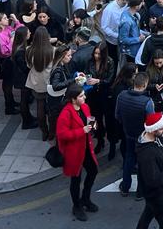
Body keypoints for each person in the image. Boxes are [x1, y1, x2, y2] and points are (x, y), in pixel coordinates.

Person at [56, 84, 99, 222]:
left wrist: (93, 126)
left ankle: (85, 198)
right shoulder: (65, 113)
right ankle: (77, 206)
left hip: (86, 149)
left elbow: (89, 120)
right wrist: (82, 131)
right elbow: (62, 134)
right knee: (76, 179)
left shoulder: (85, 107)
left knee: (93, 171)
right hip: (73, 152)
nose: (84, 97)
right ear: (73, 99)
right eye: (81, 96)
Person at [135, 111, 163, 229]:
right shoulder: (147, 155)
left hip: (152, 194)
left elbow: (162, 143)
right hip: (157, 194)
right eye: (161, 128)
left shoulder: (151, 137)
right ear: (153, 130)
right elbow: (154, 181)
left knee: (149, 212)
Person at [115, 72, 155, 198]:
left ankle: (125, 186)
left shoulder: (122, 96)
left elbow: (117, 115)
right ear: (144, 85)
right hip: (142, 136)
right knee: (142, 162)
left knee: (129, 158)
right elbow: (151, 123)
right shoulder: (147, 102)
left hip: (128, 133)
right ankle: (140, 192)